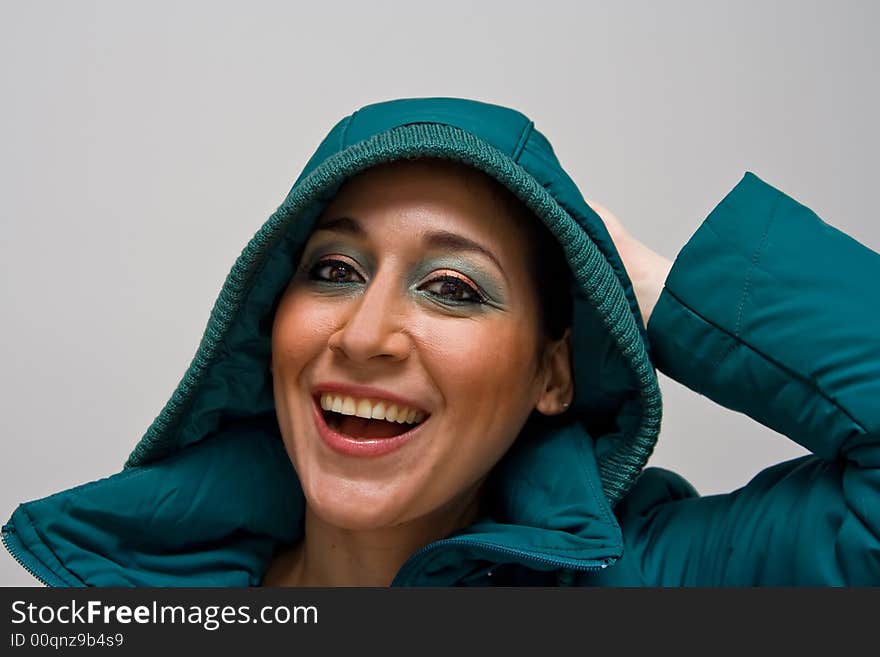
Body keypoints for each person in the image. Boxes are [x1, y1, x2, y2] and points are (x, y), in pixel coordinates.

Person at [3, 97, 878, 586]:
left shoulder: (655, 587)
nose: (367, 333)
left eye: (452, 288)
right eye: (335, 270)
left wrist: (639, 279)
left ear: (552, 371)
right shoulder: (121, 603)